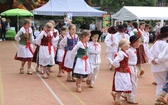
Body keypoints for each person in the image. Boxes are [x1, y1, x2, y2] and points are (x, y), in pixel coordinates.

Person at [108, 39, 132, 105]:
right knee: (121, 85)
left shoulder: (124, 53)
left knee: (124, 84)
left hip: (125, 71)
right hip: (121, 72)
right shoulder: (121, 54)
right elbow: (115, 61)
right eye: (128, 44)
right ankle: (117, 99)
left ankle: (116, 95)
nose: (129, 45)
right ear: (123, 46)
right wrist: (118, 66)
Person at [149, 26, 168, 105]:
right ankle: (159, 99)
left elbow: (149, 52)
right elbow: (163, 56)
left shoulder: (156, 42)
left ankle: (158, 99)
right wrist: (157, 60)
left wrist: (152, 59)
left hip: (155, 67)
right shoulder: (165, 44)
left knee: (159, 83)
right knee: (163, 84)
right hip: (163, 67)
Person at [122, 35, 141, 104]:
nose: (139, 43)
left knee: (133, 82)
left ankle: (124, 95)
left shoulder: (134, 50)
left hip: (133, 67)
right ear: (133, 42)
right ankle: (131, 98)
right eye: (137, 42)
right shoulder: (129, 50)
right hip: (130, 67)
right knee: (133, 83)